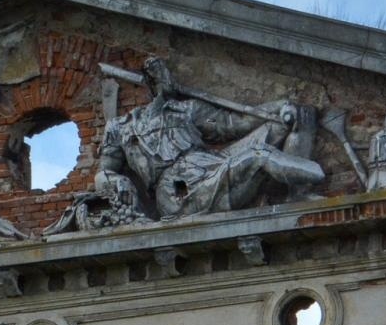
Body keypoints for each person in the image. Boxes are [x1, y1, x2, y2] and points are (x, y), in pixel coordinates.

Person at [96, 57, 323, 219]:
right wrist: (117, 182)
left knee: (290, 120)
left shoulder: (187, 109)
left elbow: (235, 123)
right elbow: (105, 172)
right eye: (157, 76)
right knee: (259, 156)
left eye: (165, 74)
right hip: (178, 191)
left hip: (211, 164)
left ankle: (298, 194)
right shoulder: (120, 127)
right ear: (149, 83)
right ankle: (317, 177)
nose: (165, 81)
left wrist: (280, 107)